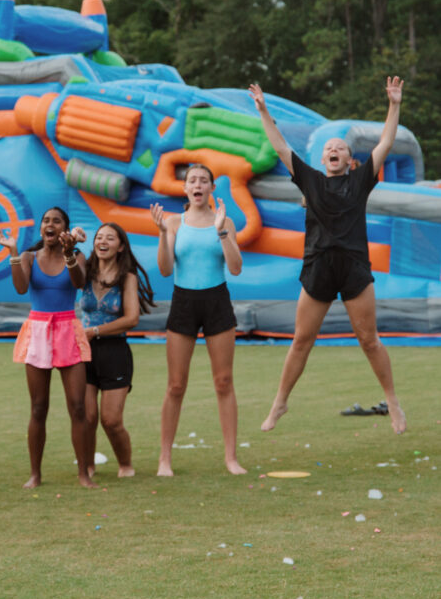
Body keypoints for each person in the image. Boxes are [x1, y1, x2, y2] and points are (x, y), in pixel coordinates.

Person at [248, 77, 407, 435]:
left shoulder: (360, 181)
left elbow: (385, 142)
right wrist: (263, 111)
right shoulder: (311, 181)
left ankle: (393, 401)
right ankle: (280, 402)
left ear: (350, 160)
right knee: (301, 341)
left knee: (369, 340)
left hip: (354, 269)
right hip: (318, 267)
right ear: (323, 159)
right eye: (329, 148)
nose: (334, 149)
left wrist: (394, 104)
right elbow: (280, 146)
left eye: (341, 148)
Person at [150, 164, 247, 476]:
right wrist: (162, 234)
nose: (198, 185)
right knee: (176, 385)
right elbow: (165, 269)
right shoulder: (174, 223)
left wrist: (221, 231)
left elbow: (236, 268)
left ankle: (231, 458)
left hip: (217, 302)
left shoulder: (225, 222)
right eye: (192, 180)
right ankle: (164, 459)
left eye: (204, 181)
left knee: (224, 381)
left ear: (211, 189)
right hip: (184, 303)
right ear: (185, 188)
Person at [0, 206, 95, 489]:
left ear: (65, 229)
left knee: (78, 407)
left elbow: (79, 282)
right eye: (46, 221)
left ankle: (83, 474)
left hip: (67, 330)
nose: (50, 224)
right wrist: (13, 250)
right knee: (38, 408)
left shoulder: (77, 256)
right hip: (38, 332)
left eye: (57, 221)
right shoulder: (28, 257)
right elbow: (20, 288)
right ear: (41, 228)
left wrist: (69, 254)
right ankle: (35, 475)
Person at [61, 222, 154, 478]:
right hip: (84, 352)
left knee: (111, 420)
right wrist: (73, 240)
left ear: (121, 246)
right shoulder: (85, 271)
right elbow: (67, 258)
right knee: (87, 416)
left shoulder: (127, 278)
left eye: (110, 238)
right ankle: (87, 465)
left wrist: (95, 331)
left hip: (115, 352)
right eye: (99, 237)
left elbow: (132, 319)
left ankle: (126, 465)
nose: (103, 241)